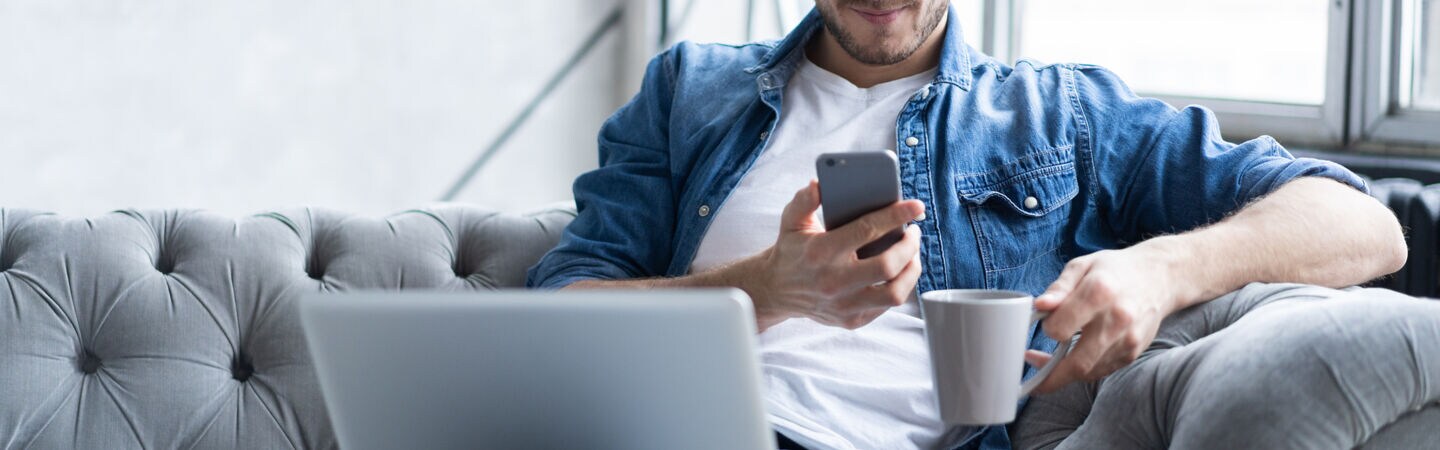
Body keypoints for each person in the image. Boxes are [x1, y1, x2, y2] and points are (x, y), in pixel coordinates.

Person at [527, 0, 1425, 448]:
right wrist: (761, 290)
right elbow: (559, 311)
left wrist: (1161, 271)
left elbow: (1363, 225)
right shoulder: (690, 91)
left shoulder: (1057, 114)